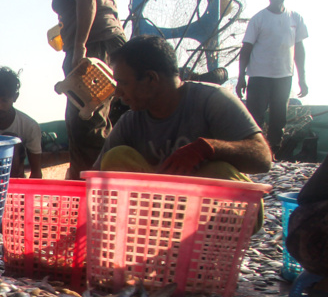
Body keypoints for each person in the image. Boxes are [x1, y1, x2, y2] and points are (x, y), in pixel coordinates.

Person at [96, 36, 271, 186]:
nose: (117, 93)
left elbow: (263, 158)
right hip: (156, 212)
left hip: (211, 216)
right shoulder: (131, 121)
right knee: (115, 158)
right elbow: (92, 178)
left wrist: (207, 148)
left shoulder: (212, 99)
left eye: (123, 83)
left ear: (151, 78)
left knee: (219, 171)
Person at [41, 0, 127, 178]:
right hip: (109, 45)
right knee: (98, 120)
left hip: (94, 50)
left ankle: (89, 188)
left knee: (85, 122)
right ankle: (96, 181)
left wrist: (79, 48)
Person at [237, 0, 309, 160]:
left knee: (279, 120)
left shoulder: (296, 18)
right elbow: (246, 49)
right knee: (254, 119)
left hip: (284, 76)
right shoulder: (258, 19)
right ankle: (254, 156)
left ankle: (272, 156)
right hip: (259, 76)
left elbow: (299, 51)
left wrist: (303, 79)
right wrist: (240, 78)